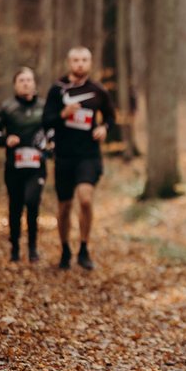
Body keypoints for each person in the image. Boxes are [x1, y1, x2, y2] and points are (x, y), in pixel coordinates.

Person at [42, 47, 115, 271]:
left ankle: (84, 248)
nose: (80, 64)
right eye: (76, 60)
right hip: (64, 155)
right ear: (69, 62)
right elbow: (46, 121)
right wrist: (63, 114)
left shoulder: (97, 90)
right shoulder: (57, 90)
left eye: (84, 60)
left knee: (85, 199)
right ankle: (65, 250)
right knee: (64, 206)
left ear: (90, 63)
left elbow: (111, 116)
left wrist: (104, 127)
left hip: (89, 155)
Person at [0, 67, 49, 262]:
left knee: (32, 203)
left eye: (29, 80)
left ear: (34, 83)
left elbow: (53, 132)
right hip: (14, 166)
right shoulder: (7, 107)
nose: (26, 83)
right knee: (15, 206)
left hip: (37, 166)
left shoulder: (44, 106)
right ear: (15, 85)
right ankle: (14, 248)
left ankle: (32, 248)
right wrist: (6, 140)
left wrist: (49, 147)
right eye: (21, 80)